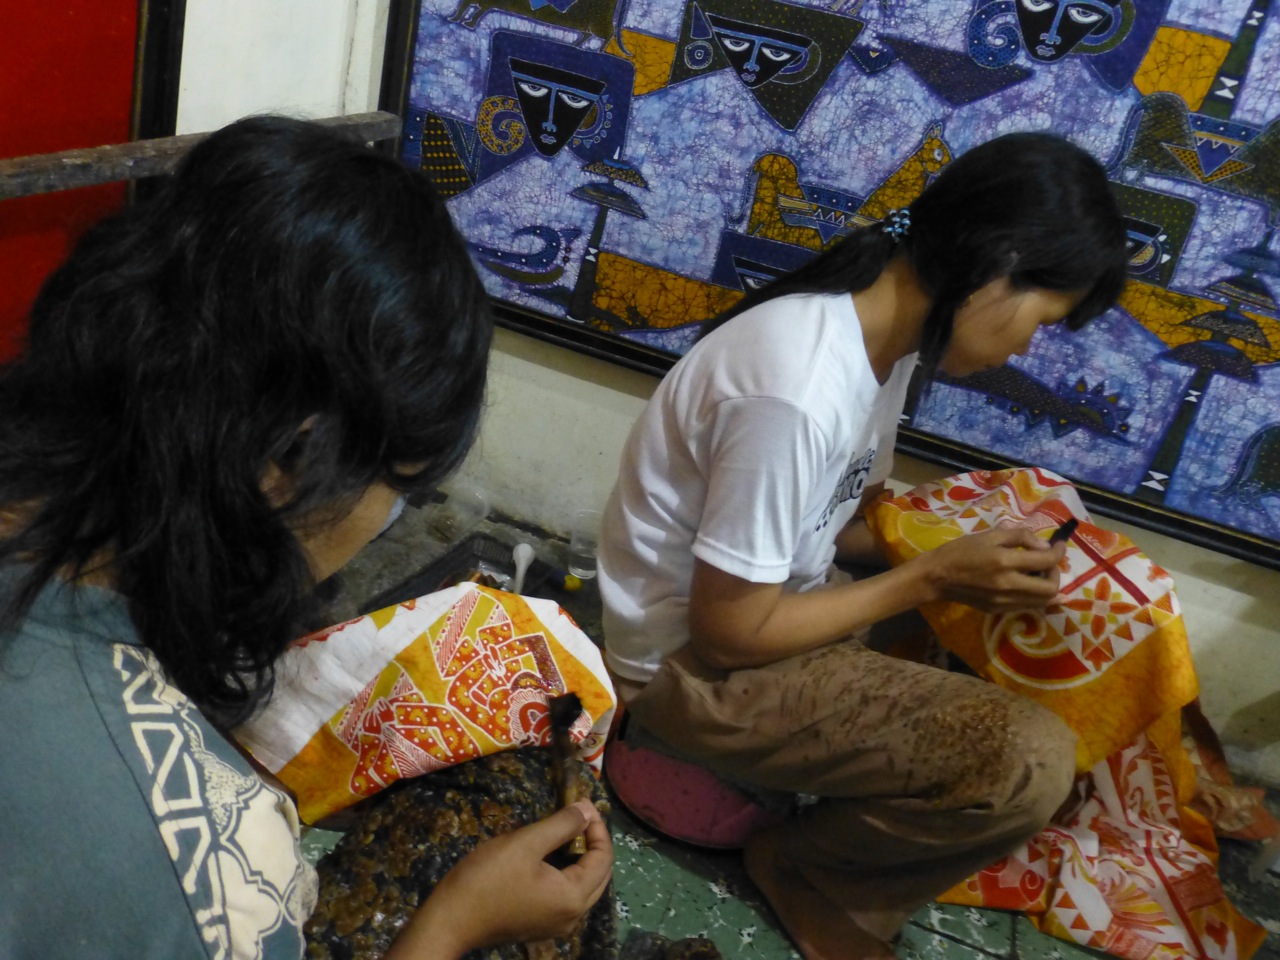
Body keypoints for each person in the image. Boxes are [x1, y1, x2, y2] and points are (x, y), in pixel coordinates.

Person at [0, 116, 612, 960]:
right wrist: (453, 925)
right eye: (401, 493)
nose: (385, 523)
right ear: (291, 458)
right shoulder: (213, 872)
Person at [597, 131, 1128, 960]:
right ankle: (810, 873)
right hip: (689, 671)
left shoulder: (883, 346)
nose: (1027, 347)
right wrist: (930, 576)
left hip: (778, 614)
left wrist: (970, 550)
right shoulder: (796, 388)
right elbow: (727, 633)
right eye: (1042, 321)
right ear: (996, 269)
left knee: (1023, 638)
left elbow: (838, 524)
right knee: (1032, 763)